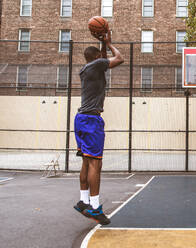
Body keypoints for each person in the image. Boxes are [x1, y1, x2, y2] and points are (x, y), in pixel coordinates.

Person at [73, 29, 123, 225]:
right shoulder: (98, 64)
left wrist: (101, 43)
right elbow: (119, 59)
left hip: (80, 119)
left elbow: (102, 59)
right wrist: (109, 44)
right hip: (91, 121)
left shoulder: (86, 68)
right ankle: (95, 207)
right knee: (96, 164)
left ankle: (83, 201)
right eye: (101, 55)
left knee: (86, 162)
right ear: (96, 57)